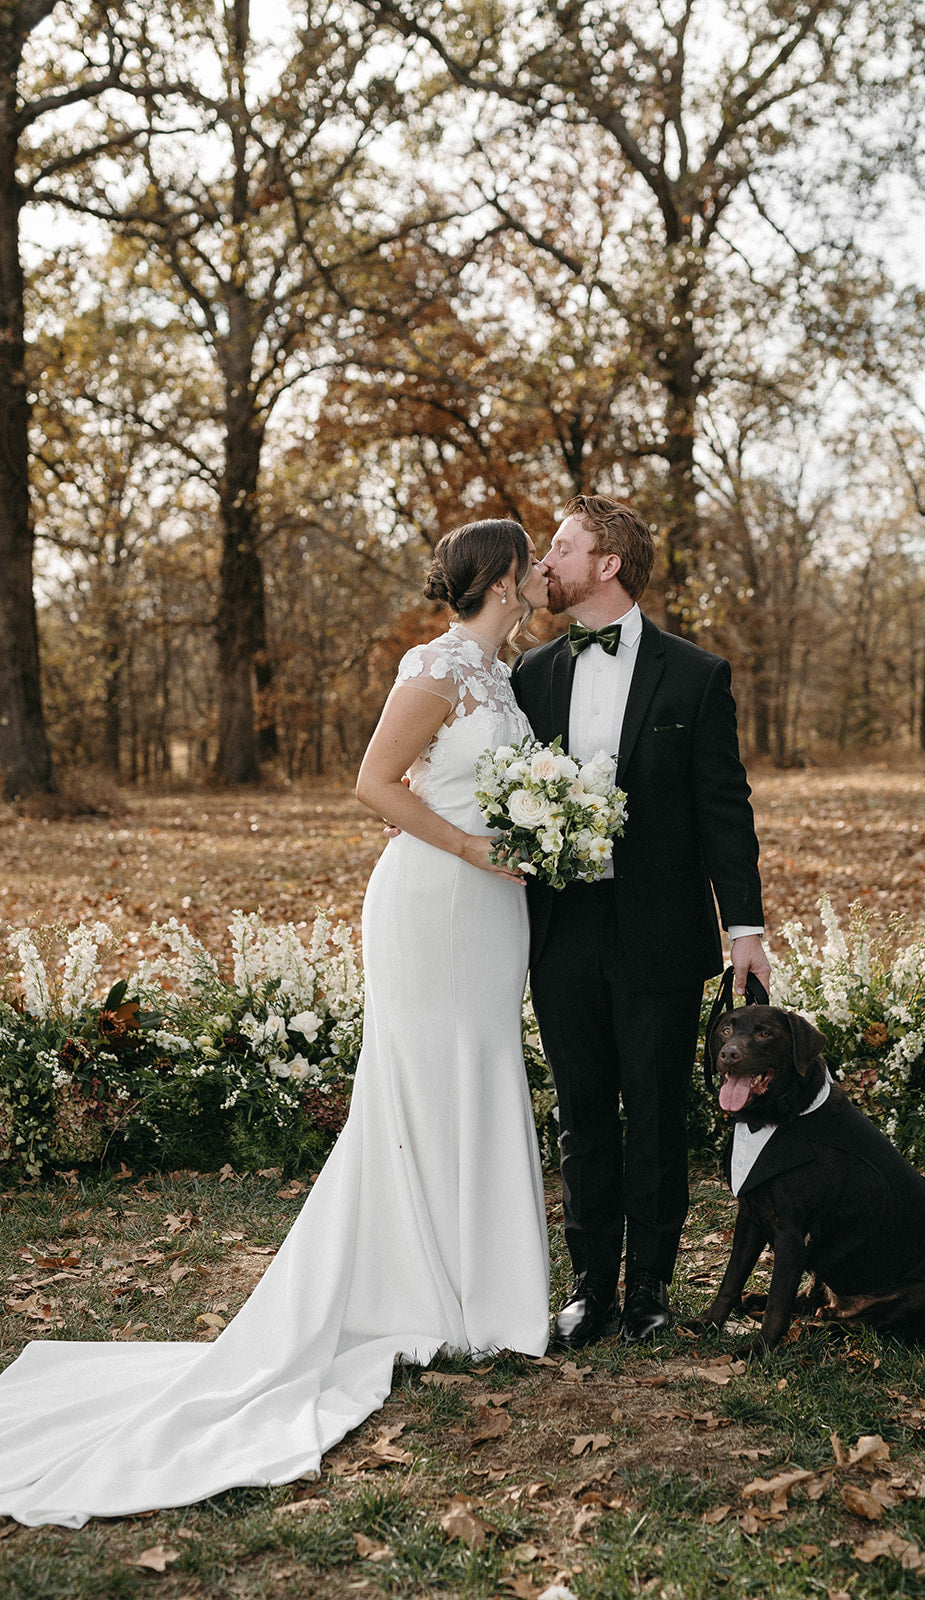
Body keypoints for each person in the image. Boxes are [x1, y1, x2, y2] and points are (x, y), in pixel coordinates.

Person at [0, 519, 552, 1528]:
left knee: (479, 1073)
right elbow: (373, 784)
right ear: (506, 576)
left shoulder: (504, 674)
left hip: (492, 912)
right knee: (421, 1083)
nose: (538, 580)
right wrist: (471, 848)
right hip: (432, 899)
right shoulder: (434, 663)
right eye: (531, 568)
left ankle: (484, 1293)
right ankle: (414, 1290)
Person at [511, 494, 770, 1349]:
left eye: (562, 546)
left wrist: (746, 930)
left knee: (656, 1111)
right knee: (582, 1113)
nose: (546, 561)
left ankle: (650, 1287)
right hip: (560, 929)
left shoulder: (694, 674)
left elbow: (723, 810)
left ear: (607, 564)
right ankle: (589, 1286)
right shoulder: (532, 674)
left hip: (657, 929)